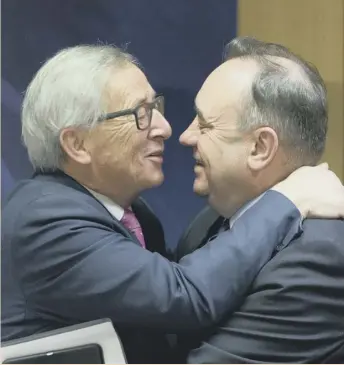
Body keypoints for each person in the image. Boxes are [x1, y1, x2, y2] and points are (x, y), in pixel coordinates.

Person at [1, 45, 343, 365]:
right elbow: (184, 295)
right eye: (141, 114)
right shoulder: (45, 221)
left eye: (156, 108)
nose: (168, 129)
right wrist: (286, 201)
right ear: (77, 143)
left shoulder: (140, 217)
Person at [179, 36, 344, 363]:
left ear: (260, 148)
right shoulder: (212, 219)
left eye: (205, 124)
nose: (186, 136)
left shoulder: (315, 261)